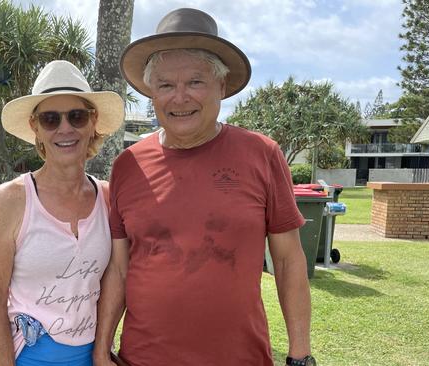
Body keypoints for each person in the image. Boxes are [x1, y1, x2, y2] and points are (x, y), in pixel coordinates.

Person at [93, 8, 316, 366]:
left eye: (195, 82)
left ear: (221, 87)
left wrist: (301, 354)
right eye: (165, 85)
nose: (179, 97)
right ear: (152, 93)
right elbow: (119, 268)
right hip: (144, 359)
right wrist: (102, 347)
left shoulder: (262, 153)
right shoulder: (127, 166)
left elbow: (289, 260)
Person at [0, 60, 124, 366]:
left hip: (92, 357)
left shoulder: (109, 197)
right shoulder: (11, 200)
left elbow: (115, 277)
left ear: (93, 121)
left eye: (76, 116)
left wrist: (101, 352)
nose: (65, 129)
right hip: (31, 357)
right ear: (35, 127)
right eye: (50, 119)